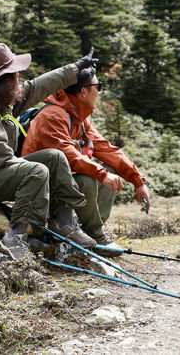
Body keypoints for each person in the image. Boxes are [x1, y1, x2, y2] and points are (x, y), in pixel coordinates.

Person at [0, 43, 98, 259]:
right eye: (16, 74)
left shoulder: (2, 99)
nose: (19, 77)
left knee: (55, 157)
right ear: (5, 78)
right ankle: (15, 237)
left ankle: (65, 222)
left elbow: (39, 86)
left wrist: (75, 69)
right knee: (37, 171)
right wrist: (34, 177)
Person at [20, 65, 151, 247]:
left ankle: (89, 230)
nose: (99, 92)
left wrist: (139, 182)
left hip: (60, 187)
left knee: (110, 170)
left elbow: (107, 149)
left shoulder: (78, 119)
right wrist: (101, 174)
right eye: (98, 86)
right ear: (83, 91)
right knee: (90, 179)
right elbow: (68, 153)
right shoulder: (52, 115)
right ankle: (94, 234)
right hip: (40, 193)